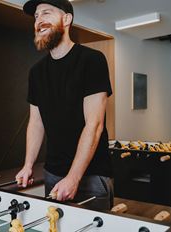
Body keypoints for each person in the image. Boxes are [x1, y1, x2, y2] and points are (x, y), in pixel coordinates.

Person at [15, 0, 114, 210]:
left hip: (92, 175)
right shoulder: (37, 72)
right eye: (36, 16)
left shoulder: (92, 60)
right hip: (53, 172)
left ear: (66, 19)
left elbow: (94, 125)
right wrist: (28, 165)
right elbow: (36, 122)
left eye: (46, 13)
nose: (39, 20)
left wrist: (73, 178)